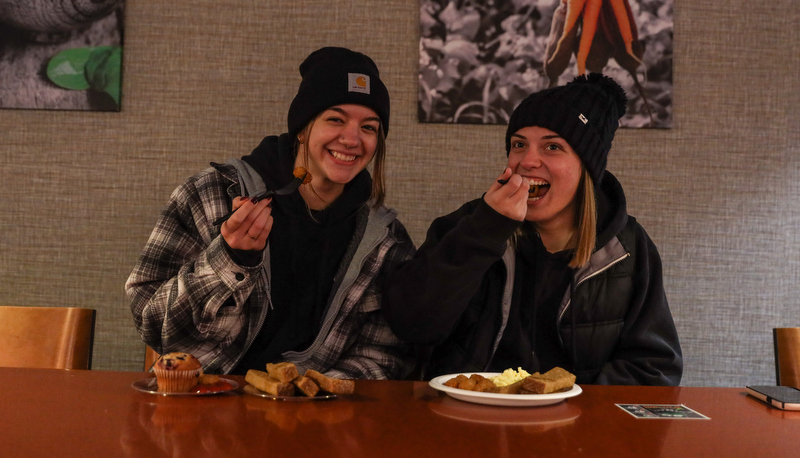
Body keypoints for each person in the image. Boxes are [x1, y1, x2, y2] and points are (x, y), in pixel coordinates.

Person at [126, 47, 415, 379]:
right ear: (302, 129)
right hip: (206, 404)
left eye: (369, 127)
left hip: (319, 419)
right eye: (335, 119)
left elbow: (386, 352)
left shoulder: (384, 241)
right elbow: (152, 324)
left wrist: (315, 391)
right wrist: (229, 259)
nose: (352, 139)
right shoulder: (211, 195)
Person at [382, 74, 682, 385]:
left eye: (552, 146)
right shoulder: (467, 225)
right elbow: (411, 327)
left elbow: (654, 371)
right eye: (518, 145)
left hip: (576, 428)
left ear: (587, 167)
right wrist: (486, 229)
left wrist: (571, 404)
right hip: (469, 418)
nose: (528, 161)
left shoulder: (628, 248)